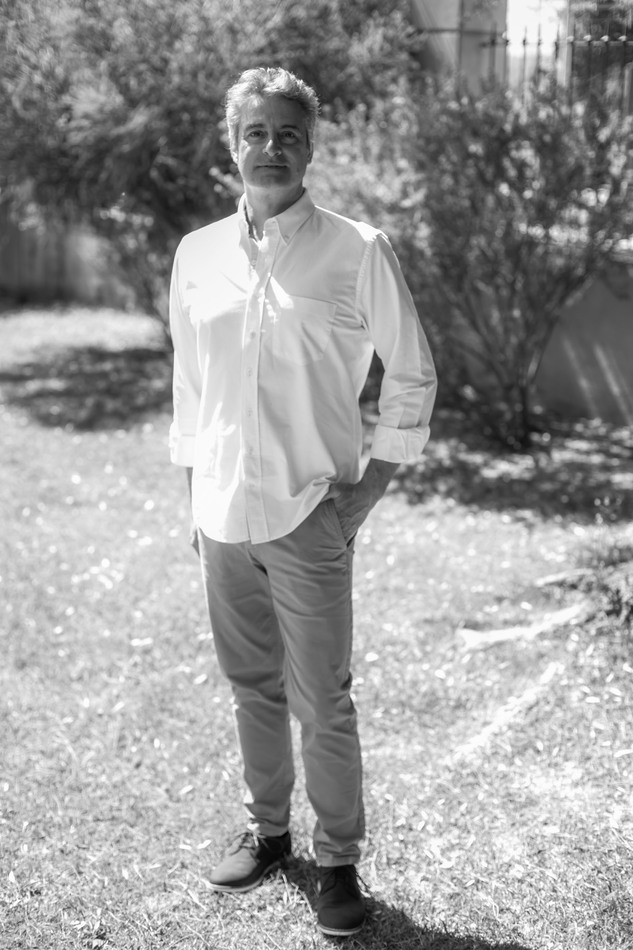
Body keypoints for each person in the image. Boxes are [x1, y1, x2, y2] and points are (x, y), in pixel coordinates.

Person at [168, 66, 437, 937]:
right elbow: (190, 391)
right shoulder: (197, 253)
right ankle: (268, 833)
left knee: (322, 698)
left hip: (307, 512)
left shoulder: (357, 250)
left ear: (311, 147)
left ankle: (338, 862)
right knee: (251, 685)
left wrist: (362, 497)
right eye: (255, 132)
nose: (271, 147)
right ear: (231, 145)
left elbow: (413, 374)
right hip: (219, 516)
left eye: (288, 133)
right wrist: (193, 499)